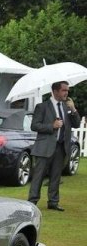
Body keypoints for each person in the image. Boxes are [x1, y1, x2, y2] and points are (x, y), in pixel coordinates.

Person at [28, 81, 80, 211]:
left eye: (67, 90)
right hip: (44, 147)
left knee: (56, 176)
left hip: (61, 147)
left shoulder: (66, 106)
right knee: (38, 176)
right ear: (55, 91)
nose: (66, 93)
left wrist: (73, 109)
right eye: (64, 90)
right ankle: (32, 201)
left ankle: (53, 202)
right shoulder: (42, 107)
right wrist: (52, 126)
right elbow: (34, 125)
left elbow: (77, 124)